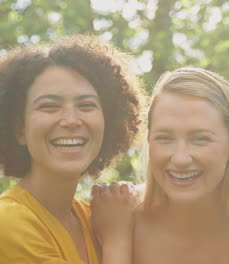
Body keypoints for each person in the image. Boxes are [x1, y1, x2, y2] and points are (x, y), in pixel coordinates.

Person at [91, 67, 229, 264]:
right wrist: (117, 240)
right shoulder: (115, 218)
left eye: (200, 139)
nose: (180, 159)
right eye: (165, 138)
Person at [0, 34, 143, 264]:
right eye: (49, 106)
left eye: (86, 105)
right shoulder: (8, 222)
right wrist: (117, 240)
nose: (71, 120)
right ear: (19, 129)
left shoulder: (95, 218)